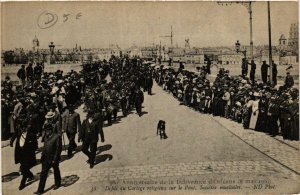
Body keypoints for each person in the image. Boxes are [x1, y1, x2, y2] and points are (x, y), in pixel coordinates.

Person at [34, 112, 62, 195]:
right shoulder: (46, 137)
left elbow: (58, 149)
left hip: (53, 158)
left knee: (56, 170)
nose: (46, 133)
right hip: (46, 158)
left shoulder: (56, 137)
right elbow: (45, 147)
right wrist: (42, 155)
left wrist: (55, 159)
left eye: (47, 131)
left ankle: (58, 183)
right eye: (45, 131)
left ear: (50, 130)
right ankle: (40, 190)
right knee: (43, 174)